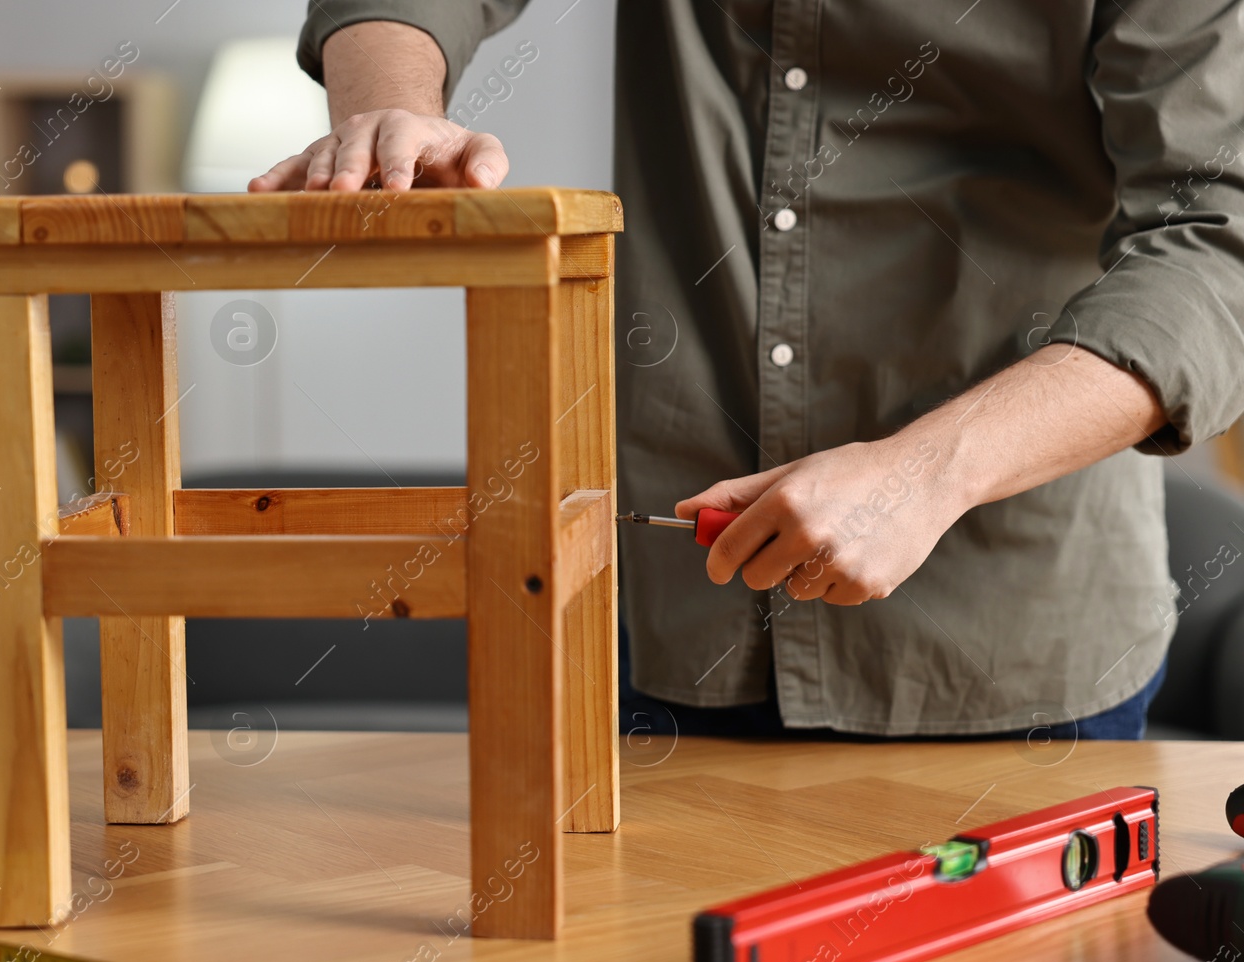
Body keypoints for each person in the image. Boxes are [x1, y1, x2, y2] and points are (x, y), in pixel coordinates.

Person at [253, 2, 1244, 739]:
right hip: (677, 633)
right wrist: (387, 108)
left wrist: (927, 469)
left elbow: (1218, 246)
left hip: (1010, 650)